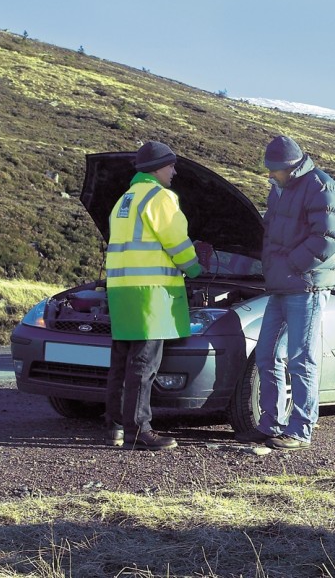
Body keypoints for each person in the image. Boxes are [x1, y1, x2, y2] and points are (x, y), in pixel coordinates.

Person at [235, 135, 335, 450]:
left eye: (275, 170)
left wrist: (293, 266)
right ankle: (270, 423)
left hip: (308, 285)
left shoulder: (321, 186)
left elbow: (330, 235)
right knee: (267, 353)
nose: (270, 175)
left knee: (302, 358)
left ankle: (300, 429)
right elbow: (271, 232)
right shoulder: (280, 189)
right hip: (282, 285)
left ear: (291, 166)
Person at [105, 141, 203, 450]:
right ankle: (140, 429)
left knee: (121, 363)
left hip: (121, 291)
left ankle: (115, 427)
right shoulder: (160, 197)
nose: (174, 172)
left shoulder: (125, 199)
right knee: (144, 365)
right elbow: (176, 241)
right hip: (151, 293)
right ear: (158, 168)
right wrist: (196, 269)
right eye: (171, 166)